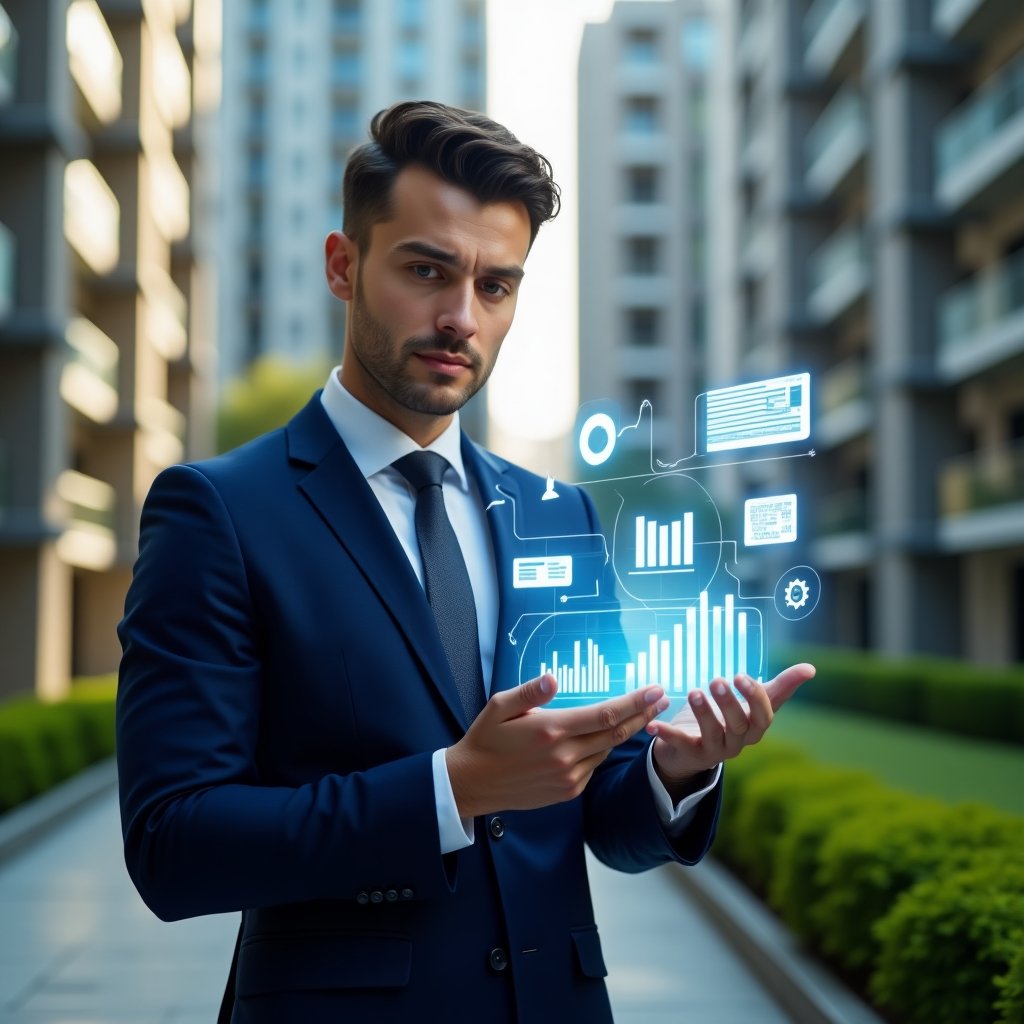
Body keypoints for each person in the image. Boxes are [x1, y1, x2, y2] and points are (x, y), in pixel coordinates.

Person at [116, 100, 815, 1023]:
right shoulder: (220, 511)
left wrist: (673, 773)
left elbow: (605, 822)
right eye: (426, 270)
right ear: (343, 265)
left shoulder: (558, 516)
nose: (461, 317)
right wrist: (450, 789)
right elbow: (173, 844)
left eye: (496, 286)